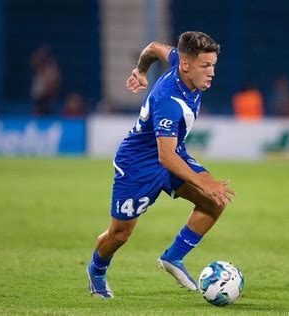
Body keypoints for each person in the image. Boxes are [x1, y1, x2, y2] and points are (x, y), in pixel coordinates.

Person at [86, 31, 235, 298]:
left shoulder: (181, 60)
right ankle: (97, 269)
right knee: (119, 234)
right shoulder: (169, 101)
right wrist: (204, 183)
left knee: (216, 201)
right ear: (186, 66)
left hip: (171, 152)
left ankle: (173, 257)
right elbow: (165, 158)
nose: (211, 72)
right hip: (139, 165)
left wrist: (141, 71)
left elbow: (154, 47)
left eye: (213, 65)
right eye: (206, 66)